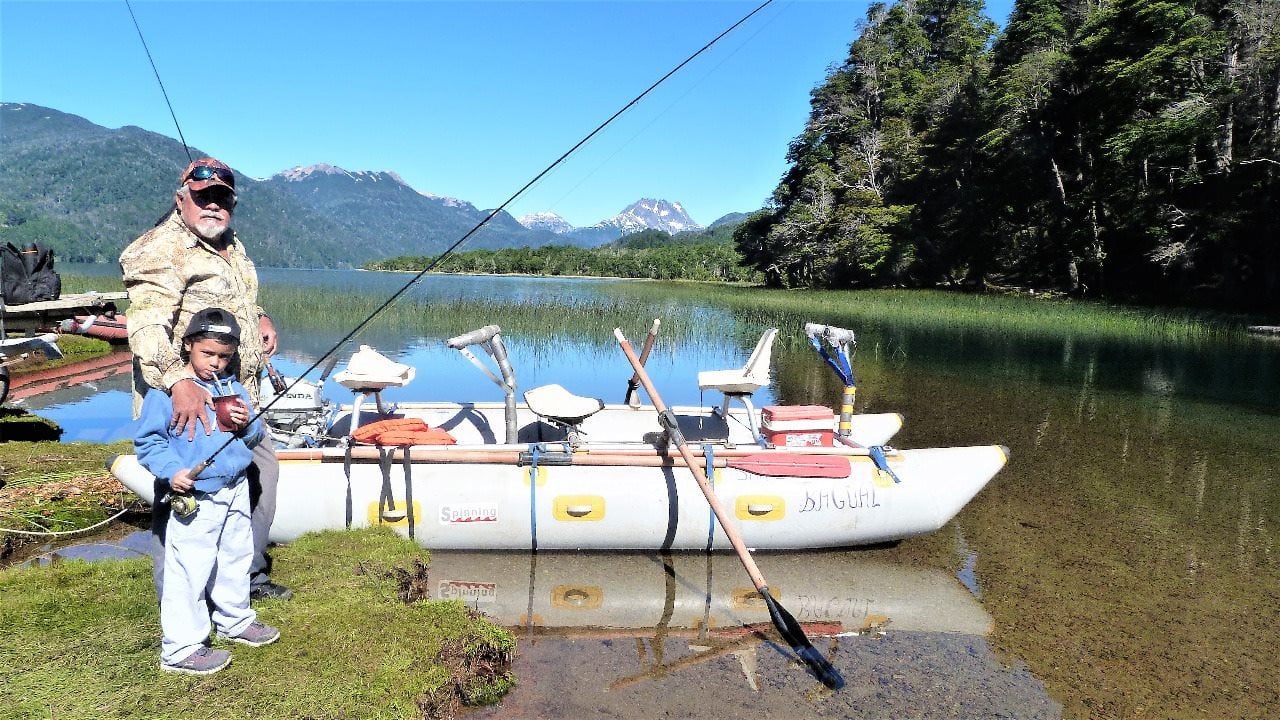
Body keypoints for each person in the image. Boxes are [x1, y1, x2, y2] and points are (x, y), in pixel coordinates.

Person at [120, 157, 291, 600]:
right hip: (187, 402)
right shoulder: (159, 249)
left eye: (222, 198)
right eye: (203, 197)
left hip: (236, 396)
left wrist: (259, 317)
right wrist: (179, 383)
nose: (213, 205)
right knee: (183, 494)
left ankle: (246, 578)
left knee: (259, 475)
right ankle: (179, 599)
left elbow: (233, 299)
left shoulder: (230, 244)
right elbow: (146, 325)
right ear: (181, 200)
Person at [136, 308, 280, 675]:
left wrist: (247, 426)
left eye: (224, 356)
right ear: (188, 345)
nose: (216, 363)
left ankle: (235, 619)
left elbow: (254, 437)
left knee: (235, 556)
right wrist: (173, 472)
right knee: (190, 568)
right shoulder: (164, 394)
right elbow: (149, 443)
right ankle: (180, 648)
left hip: (236, 487)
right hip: (197, 495)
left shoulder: (233, 387)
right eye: (208, 354)